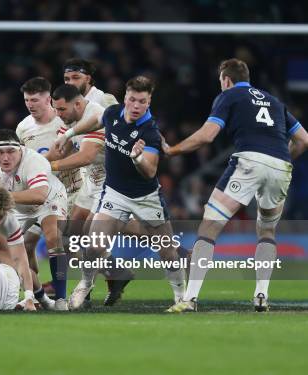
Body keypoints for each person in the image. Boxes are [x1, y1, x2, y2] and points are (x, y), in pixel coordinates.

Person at [164, 58, 308, 312]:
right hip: (281, 166)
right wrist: (281, 159)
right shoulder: (275, 102)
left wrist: (174, 150)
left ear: (226, 79)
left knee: (209, 225)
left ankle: (190, 298)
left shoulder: (229, 96)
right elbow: (304, 140)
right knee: (266, 232)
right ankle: (261, 295)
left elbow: (207, 135)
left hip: (249, 161)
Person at [56, 76, 187, 310]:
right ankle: (85, 284)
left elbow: (150, 171)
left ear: (149, 103)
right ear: (125, 97)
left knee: (166, 250)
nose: (136, 106)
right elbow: (97, 120)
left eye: (143, 102)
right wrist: (68, 134)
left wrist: (137, 158)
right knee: (94, 245)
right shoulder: (113, 112)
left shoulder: (150, 132)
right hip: (115, 193)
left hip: (146, 198)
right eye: (133, 100)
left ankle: (181, 296)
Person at [0, 129, 69, 309]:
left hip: (49, 201)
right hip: (16, 206)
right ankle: (34, 296)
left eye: (11, 151)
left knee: (53, 237)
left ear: (21, 149)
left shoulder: (34, 161)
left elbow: (39, 195)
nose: (5, 158)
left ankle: (61, 300)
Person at [15, 77, 81, 304]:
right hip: (37, 193)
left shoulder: (65, 123)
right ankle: (38, 295)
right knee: (26, 244)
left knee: (58, 239)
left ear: (48, 98)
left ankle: (64, 296)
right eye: (26, 100)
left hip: (69, 191)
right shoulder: (23, 128)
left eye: (35, 100)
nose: (30, 104)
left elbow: (78, 153)